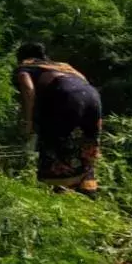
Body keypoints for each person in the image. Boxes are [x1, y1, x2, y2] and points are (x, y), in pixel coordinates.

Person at [14, 42, 103, 196]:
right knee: (86, 141)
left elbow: (28, 90)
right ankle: (87, 190)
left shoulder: (25, 68)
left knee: (55, 142)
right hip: (93, 97)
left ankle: (60, 193)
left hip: (66, 97)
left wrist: (28, 122)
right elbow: (83, 80)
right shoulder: (62, 65)